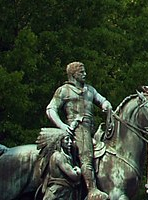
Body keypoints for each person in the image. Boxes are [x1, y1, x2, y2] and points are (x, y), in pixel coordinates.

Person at [45, 62, 112, 198]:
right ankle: (92, 189)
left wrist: (106, 105)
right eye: (81, 72)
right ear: (73, 74)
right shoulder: (64, 90)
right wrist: (62, 126)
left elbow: (102, 100)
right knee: (86, 155)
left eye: (84, 71)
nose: (85, 74)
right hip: (78, 128)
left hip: (92, 129)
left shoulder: (90, 90)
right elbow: (51, 109)